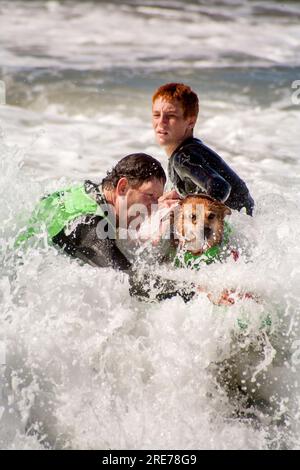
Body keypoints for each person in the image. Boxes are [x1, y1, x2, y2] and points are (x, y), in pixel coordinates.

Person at [16, 153, 194, 302]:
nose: (155, 208)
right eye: (149, 196)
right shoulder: (88, 223)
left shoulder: (92, 194)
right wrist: (196, 292)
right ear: (122, 187)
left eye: (157, 199)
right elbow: (128, 281)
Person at [152, 82, 254, 215]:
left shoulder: (183, 157)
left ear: (191, 122)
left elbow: (220, 187)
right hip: (248, 224)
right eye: (156, 115)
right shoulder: (192, 150)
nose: (161, 122)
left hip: (239, 226)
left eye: (171, 116)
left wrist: (188, 208)